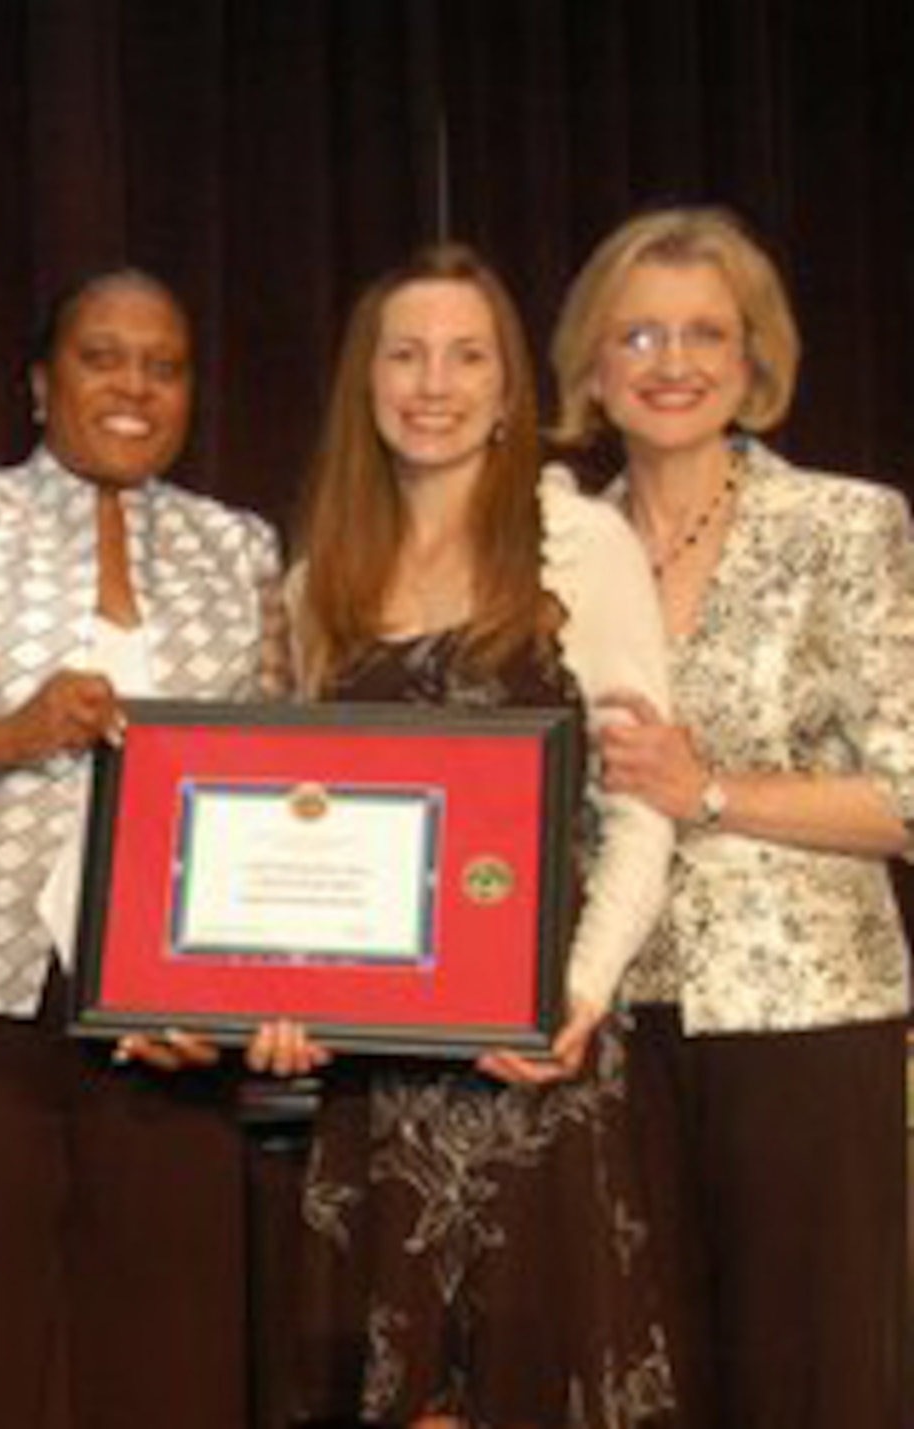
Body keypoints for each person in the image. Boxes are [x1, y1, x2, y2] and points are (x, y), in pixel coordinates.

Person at [262, 243, 683, 1427]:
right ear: (365, 381)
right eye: (403, 354)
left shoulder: (574, 546)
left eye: (464, 356)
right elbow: (301, 835)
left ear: (509, 391)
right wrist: (281, 990)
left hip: (532, 1052)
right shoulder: (315, 582)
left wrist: (581, 992)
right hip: (376, 1079)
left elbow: (641, 802)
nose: (431, 382)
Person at [553, 207, 912, 1428]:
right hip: (603, 1026)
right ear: (590, 370)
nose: (670, 361)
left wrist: (707, 792)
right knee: (635, 1383)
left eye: (704, 332)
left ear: (754, 360)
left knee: (806, 1383)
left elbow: (909, 793)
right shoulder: (549, 545)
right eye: (636, 333)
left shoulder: (845, 526)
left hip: (801, 1021)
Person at [0, 267, 282, 1429]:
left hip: (172, 1036)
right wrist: (14, 734)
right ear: (37, 383)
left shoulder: (240, 548)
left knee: (169, 1359)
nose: (133, 385)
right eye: (100, 357)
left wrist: (223, 992)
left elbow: (274, 792)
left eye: (163, 365)